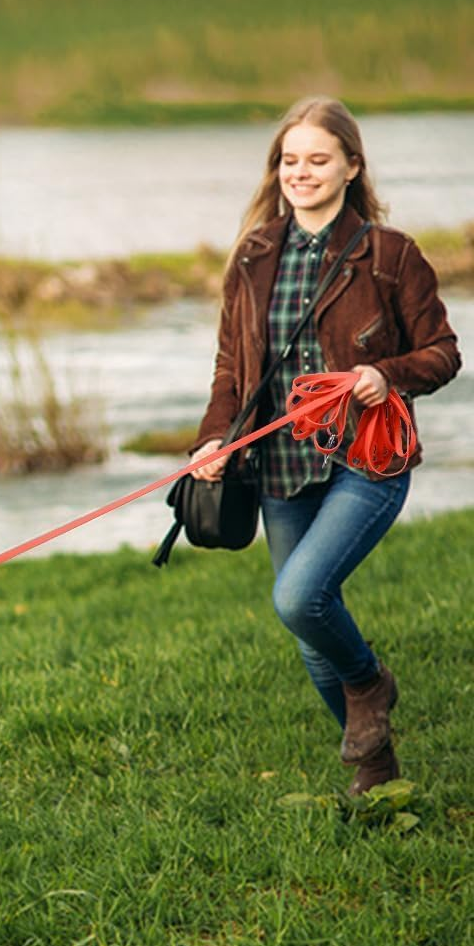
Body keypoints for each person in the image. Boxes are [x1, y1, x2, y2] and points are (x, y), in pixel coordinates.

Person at [189, 97, 461, 795]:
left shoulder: (390, 253)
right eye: (289, 160)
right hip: (278, 469)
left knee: (301, 595)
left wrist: (385, 374)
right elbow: (230, 368)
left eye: (318, 159)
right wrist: (213, 439)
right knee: (312, 640)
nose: (301, 173)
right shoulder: (252, 256)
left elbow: (442, 354)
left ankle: (371, 684)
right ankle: (378, 769)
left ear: (351, 167)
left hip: (366, 460)